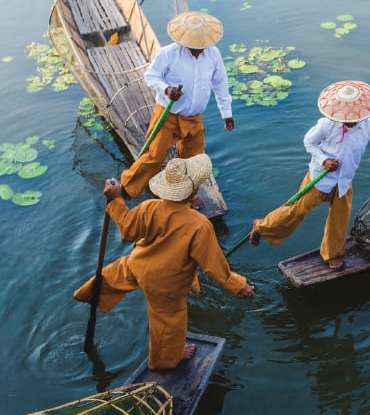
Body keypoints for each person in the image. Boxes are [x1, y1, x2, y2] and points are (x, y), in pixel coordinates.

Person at [74, 153, 255, 370]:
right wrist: (238, 286)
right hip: (165, 283)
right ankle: (166, 359)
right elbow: (214, 266)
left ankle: (88, 293)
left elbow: (127, 229)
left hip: (138, 264)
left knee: (116, 273)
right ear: (194, 192)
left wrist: (115, 200)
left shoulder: (150, 207)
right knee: (169, 322)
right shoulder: (199, 225)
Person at [249, 80, 370, 270]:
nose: (347, 119)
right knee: (296, 211)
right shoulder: (326, 124)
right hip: (318, 178)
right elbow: (309, 142)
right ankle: (262, 227)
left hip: (344, 182)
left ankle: (333, 254)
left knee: (339, 220)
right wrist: (324, 160)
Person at [120, 11, 235, 207]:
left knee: (193, 160)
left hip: (194, 117)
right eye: (194, 44)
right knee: (154, 155)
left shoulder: (213, 55)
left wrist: (227, 113)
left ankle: (187, 196)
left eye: (202, 44)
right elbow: (151, 76)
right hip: (169, 115)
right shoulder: (168, 54)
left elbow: (220, 84)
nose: (198, 49)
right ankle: (125, 189)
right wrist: (167, 89)